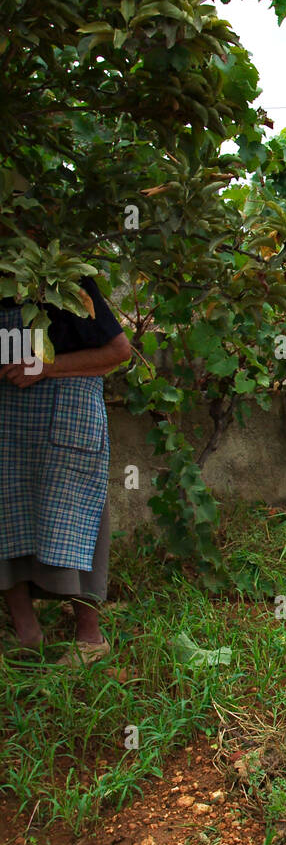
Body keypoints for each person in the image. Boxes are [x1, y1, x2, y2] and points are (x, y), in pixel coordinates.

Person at [0, 275, 131, 662]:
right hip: (8, 417)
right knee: (6, 518)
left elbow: (118, 351)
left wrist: (45, 368)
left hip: (64, 413)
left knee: (74, 518)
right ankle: (27, 632)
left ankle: (90, 640)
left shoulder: (66, 283)